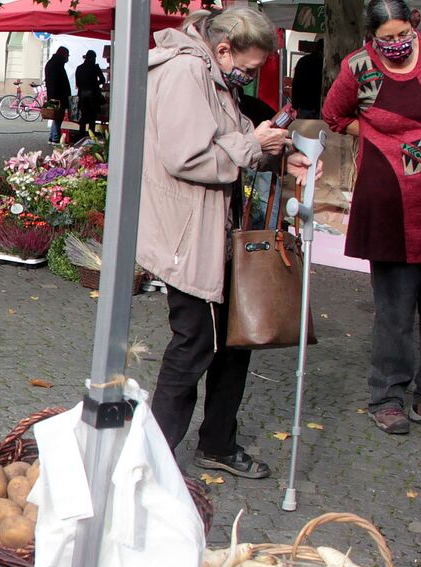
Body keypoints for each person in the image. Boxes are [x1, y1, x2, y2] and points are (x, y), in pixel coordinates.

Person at [138, 7, 315, 480]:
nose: (251, 77)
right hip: (190, 235)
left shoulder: (210, 72)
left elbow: (222, 136)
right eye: (250, 67)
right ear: (222, 49)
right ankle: (148, 461)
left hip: (217, 230)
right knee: (194, 343)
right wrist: (254, 145)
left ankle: (216, 442)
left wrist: (271, 147)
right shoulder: (184, 71)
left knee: (235, 339)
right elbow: (188, 157)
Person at [323, 0, 421, 434]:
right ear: (371, 37)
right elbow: (334, 115)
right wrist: (376, 134)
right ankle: (388, 396)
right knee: (394, 309)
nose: (395, 44)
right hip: (390, 201)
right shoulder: (358, 67)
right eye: (385, 39)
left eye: (401, 35)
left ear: (414, 25)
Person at [74, 50, 105, 138]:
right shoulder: (95, 68)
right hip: (93, 96)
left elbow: (78, 83)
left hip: (82, 95)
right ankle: (91, 136)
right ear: (92, 58)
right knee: (92, 118)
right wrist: (96, 84)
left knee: (83, 117)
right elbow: (103, 80)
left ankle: (81, 136)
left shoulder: (79, 68)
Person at [44, 46, 71, 144]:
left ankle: (52, 137)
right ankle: (55, 138)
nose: (68, 57)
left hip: (54, 95)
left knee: (56, 116)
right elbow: (57, 81)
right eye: (67, 55)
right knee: (58, 116)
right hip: (58, 96)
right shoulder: (57, 64)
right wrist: (55, 96)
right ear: (63, 54)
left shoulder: (53, 63)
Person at [292, 39, 323, 117]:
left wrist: (295, 105)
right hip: (318, 105)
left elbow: (296, 83)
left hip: (304, 105)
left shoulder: (303, 60)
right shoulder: (324, 63)